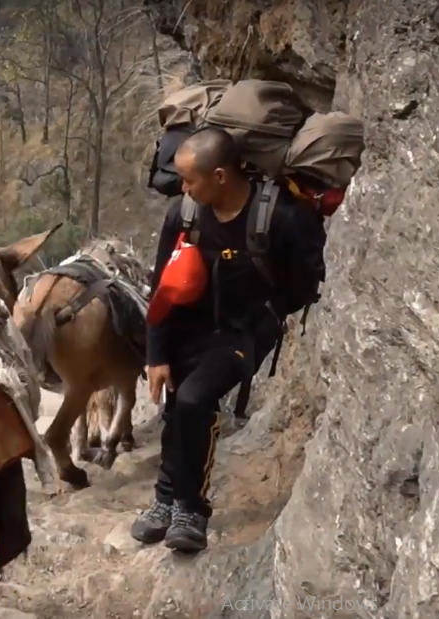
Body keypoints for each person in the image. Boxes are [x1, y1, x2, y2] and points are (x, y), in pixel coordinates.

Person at [131, 127, 326, 552]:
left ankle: (190, 509)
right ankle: (165, 500)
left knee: (195, 400)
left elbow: (305, 280)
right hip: (187, 328)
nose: (182, 188)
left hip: (243, 333)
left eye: (190, 180)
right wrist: (157, 355)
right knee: (175, 407)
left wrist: (270, 317)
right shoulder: (182, 214)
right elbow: (161, 290)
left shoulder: (279, 216)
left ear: (220, 175)